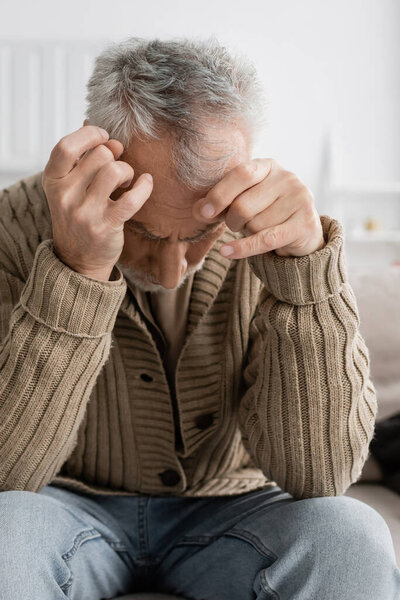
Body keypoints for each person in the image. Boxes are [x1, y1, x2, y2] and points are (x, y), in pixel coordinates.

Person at [0, 36, 398, 599]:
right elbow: (6, 476)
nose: (169, 272)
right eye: (142, 230)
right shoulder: (11, 228)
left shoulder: (279, 234)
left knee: (350, 533)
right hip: (62, 505)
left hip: (234, 510)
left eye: (199, 235)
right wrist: (78, 268)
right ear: (97, 159)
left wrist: (305, 282)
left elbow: (321, 478)